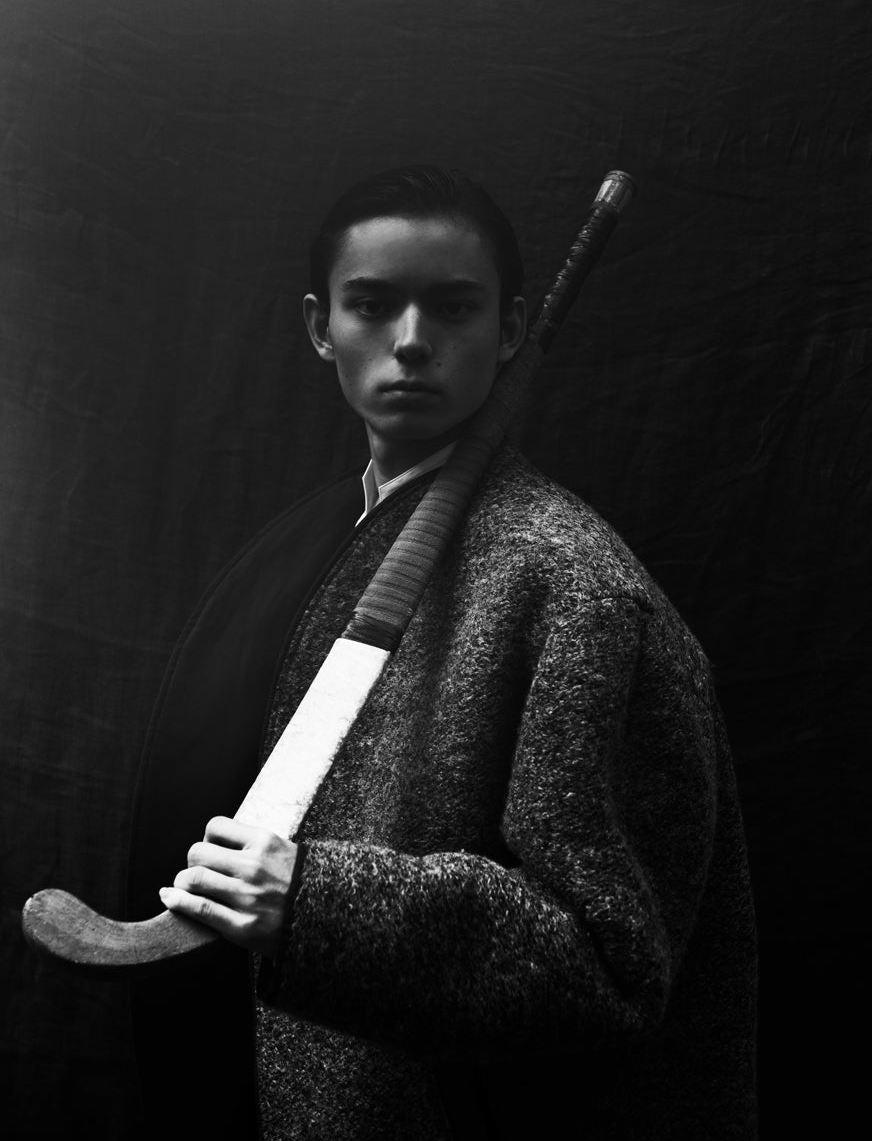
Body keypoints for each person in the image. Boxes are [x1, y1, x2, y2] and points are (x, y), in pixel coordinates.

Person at [150, 166, 757, 1139]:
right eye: (371, 304)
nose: (411, 339)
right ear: (320, 327)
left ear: (511, 329)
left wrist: (314, 904)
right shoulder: (322, 549)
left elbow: (608, 965)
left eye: (453, 306)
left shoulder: (577, 590)